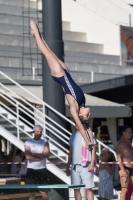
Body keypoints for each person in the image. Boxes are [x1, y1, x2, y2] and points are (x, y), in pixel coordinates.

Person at [30, 21, 94, 150]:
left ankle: (36, 34)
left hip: (60, 75)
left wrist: (88, 141)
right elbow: (66, 89)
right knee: (51, 52)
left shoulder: (74, 107)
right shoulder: (82, 102)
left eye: (87, 115)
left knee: (47, 54)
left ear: (80, 115)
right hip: (66, 74)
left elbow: (80, 126)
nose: (89, 113)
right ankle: (39, 36)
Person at [65, 127, 96, 200]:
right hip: (75, 166)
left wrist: (92, 164)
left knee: (88, 189)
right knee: (76, 189)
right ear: (76, 126)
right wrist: (67, 166)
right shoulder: (73, 136)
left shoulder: (89, 135)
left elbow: (93, 150)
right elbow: (70, 152)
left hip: (86, 165)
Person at [24, 125, 50, 200]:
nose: (39, 133)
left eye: (41, 132)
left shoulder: (45, 142)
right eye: (38, 131)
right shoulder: (28, 142)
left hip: (42, 169)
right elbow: (28, 156)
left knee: (44, 192)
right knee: (32, 193)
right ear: (34, 132)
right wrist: (41, 156)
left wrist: (34, 154)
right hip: (31, 169)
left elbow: (47, 155)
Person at [116, 125, 133, 200]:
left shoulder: (128, 142)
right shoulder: (120, 144)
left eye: (131, 132)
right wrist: (122, 170)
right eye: (129, 132)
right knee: (124, 189)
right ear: (123, 133)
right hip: (124, 168)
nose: (131, 134)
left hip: (132, 167)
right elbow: (119, 158)